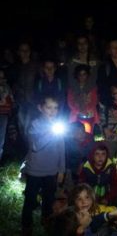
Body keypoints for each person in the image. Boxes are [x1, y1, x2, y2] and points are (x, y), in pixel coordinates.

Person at [21, 95, 66, 236]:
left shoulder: (58, 125)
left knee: (49, 199)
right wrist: (51, 131)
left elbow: (61, 148)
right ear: (40, 108)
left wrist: (61, 169)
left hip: (51, 171)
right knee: (30, 199)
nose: (53, 111)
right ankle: (26, 226)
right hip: (35, 171)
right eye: (49, 107)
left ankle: (46, 221)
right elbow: (35, 146)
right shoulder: (35, 125)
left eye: (55, 108)